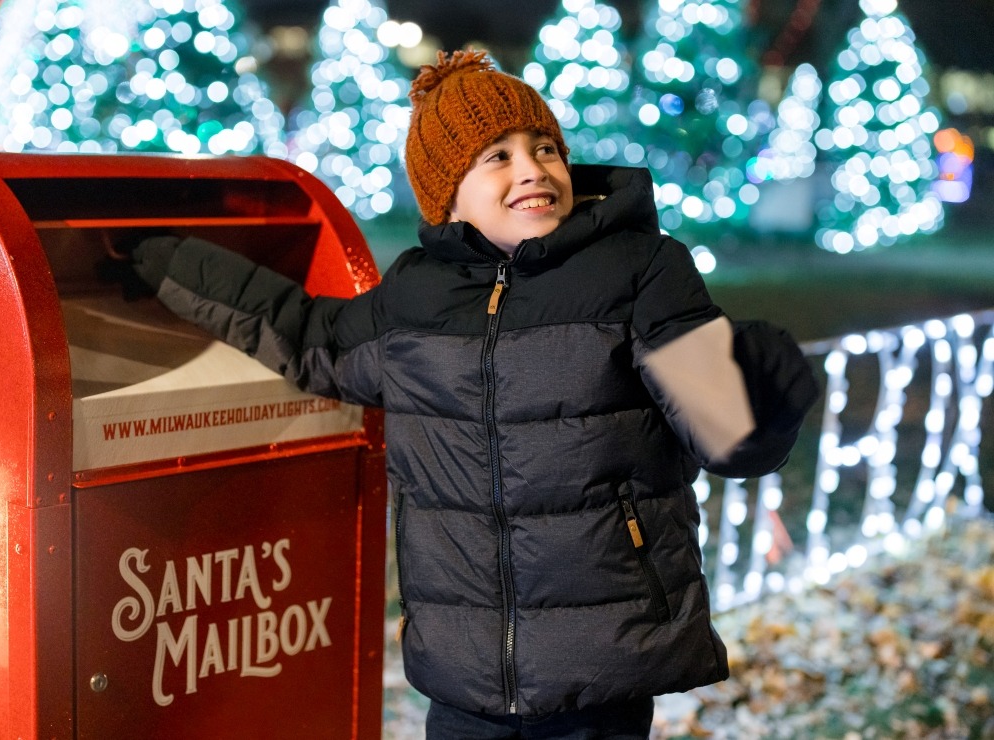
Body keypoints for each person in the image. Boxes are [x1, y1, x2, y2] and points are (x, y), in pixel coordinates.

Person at [120, 49, 818, 739]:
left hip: (597, 667)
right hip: (463, 675)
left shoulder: (639, 270)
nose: (533, 170)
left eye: (544, 148)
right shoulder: (417, 295)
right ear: (447, 193)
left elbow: (725, 431)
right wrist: (170, 261)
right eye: (499, 157)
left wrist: (763, 393)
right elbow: (312, 340)